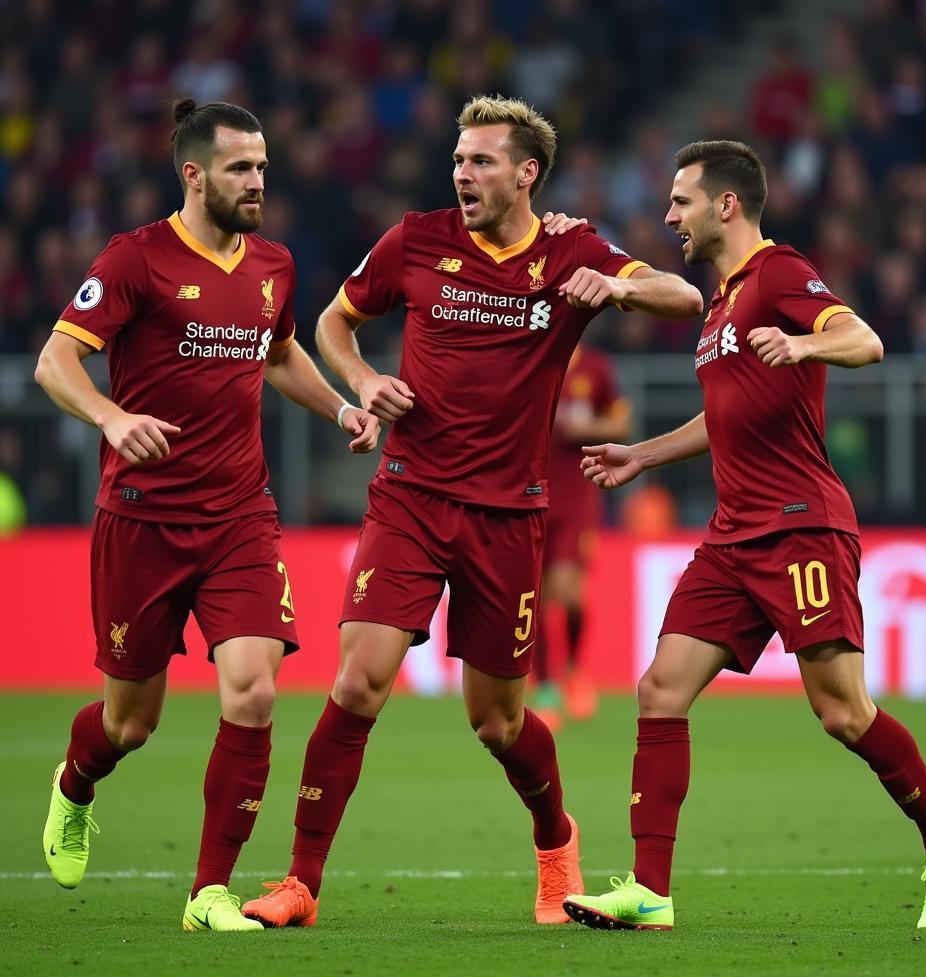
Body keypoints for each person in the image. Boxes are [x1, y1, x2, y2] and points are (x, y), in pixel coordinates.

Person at [241, 95, 703, 928]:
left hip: (509, 515)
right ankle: (301, 882)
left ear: (526, 173)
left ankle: (557, 842)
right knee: (357, 680)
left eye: (482, 161)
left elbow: (686, 298)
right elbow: (334, 322)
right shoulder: (416, 239)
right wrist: (363, 382)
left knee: (497, 721)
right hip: (410, 498)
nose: (463, 174)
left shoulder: (570, 249)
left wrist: (619, 288)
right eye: (458, 160)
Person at [564, 140, 926, 932]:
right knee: (661, 689)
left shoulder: (781, 275)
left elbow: (865, 340)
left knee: (843, 713)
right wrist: (643, 454)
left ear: (725, 204)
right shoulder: (719, 304)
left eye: (681, 201)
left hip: (801, 527)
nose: (668, 216)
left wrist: (804, 344)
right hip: (732, 537)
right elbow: (726, 414)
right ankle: (651, 889)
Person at [35, 98, 378, 933]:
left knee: (255, 691)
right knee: (130, 721)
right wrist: (112, 419)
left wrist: (338, 410)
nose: (257, 180)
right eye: (239, 168)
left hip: (239, 517)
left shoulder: (273, 265)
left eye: (261, 165)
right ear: (193, 174)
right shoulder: (135, 260)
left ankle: (208, 893)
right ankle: (75, 784)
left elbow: (281, 349)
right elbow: (54, 362)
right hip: (141, 521)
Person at [533, 343, 632, 729]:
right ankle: (544, 687)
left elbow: (622, 424)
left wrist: (583, 429)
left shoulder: (596, 366)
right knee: (535, 597)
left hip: (577, 500)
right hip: (530, 495)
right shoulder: (531, 355)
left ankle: (573, 667)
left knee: (570, 594)